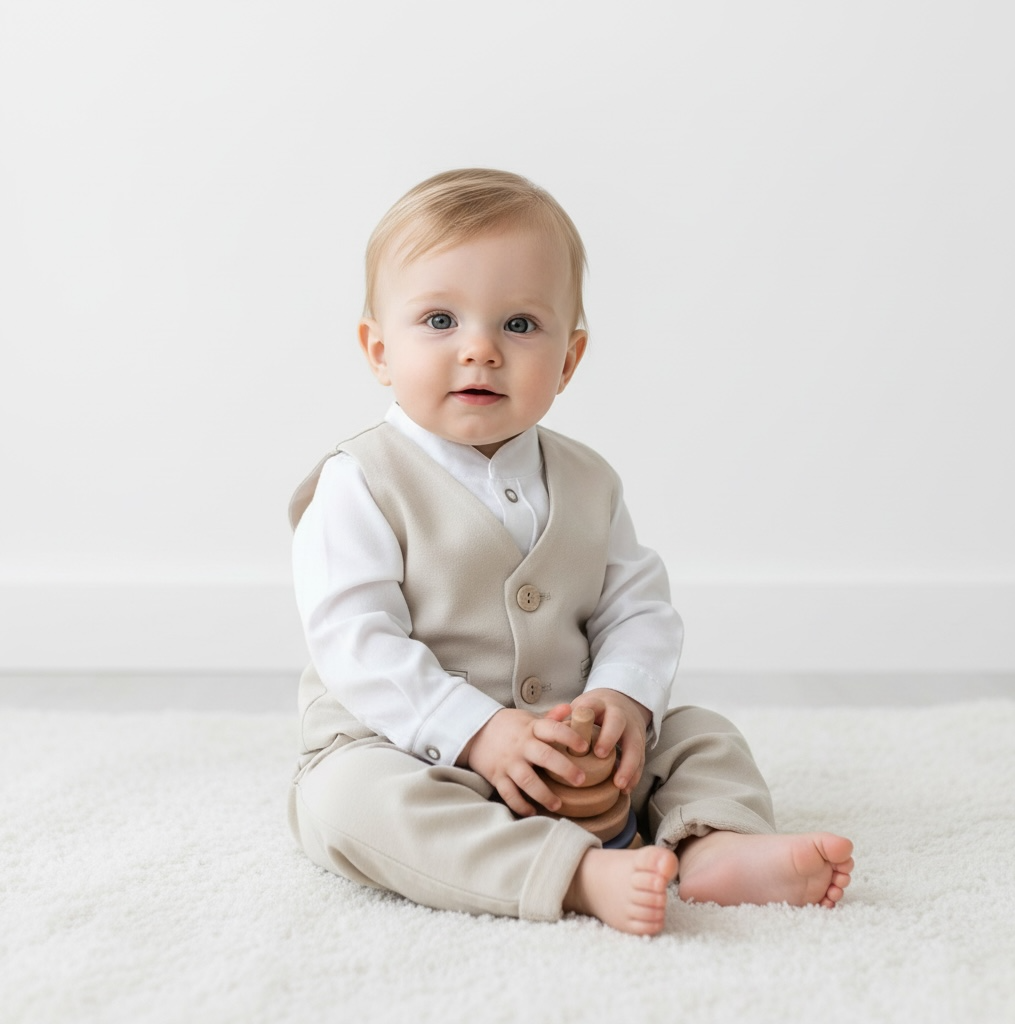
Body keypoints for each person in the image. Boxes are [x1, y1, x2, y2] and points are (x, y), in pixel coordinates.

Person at [287, 168, 853, 935]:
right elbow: (354, 642)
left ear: (569, 359)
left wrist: (620, 700)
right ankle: (576, 875)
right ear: (379, 350)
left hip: (574, 750)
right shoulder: (358, 484)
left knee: (702, 735)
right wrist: (479, 732)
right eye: (440, 320)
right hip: (414, 749)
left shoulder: (589, 481)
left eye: (519, 324)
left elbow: (637, 609)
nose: (480, 349)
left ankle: (713, 844)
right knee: (348, 802)